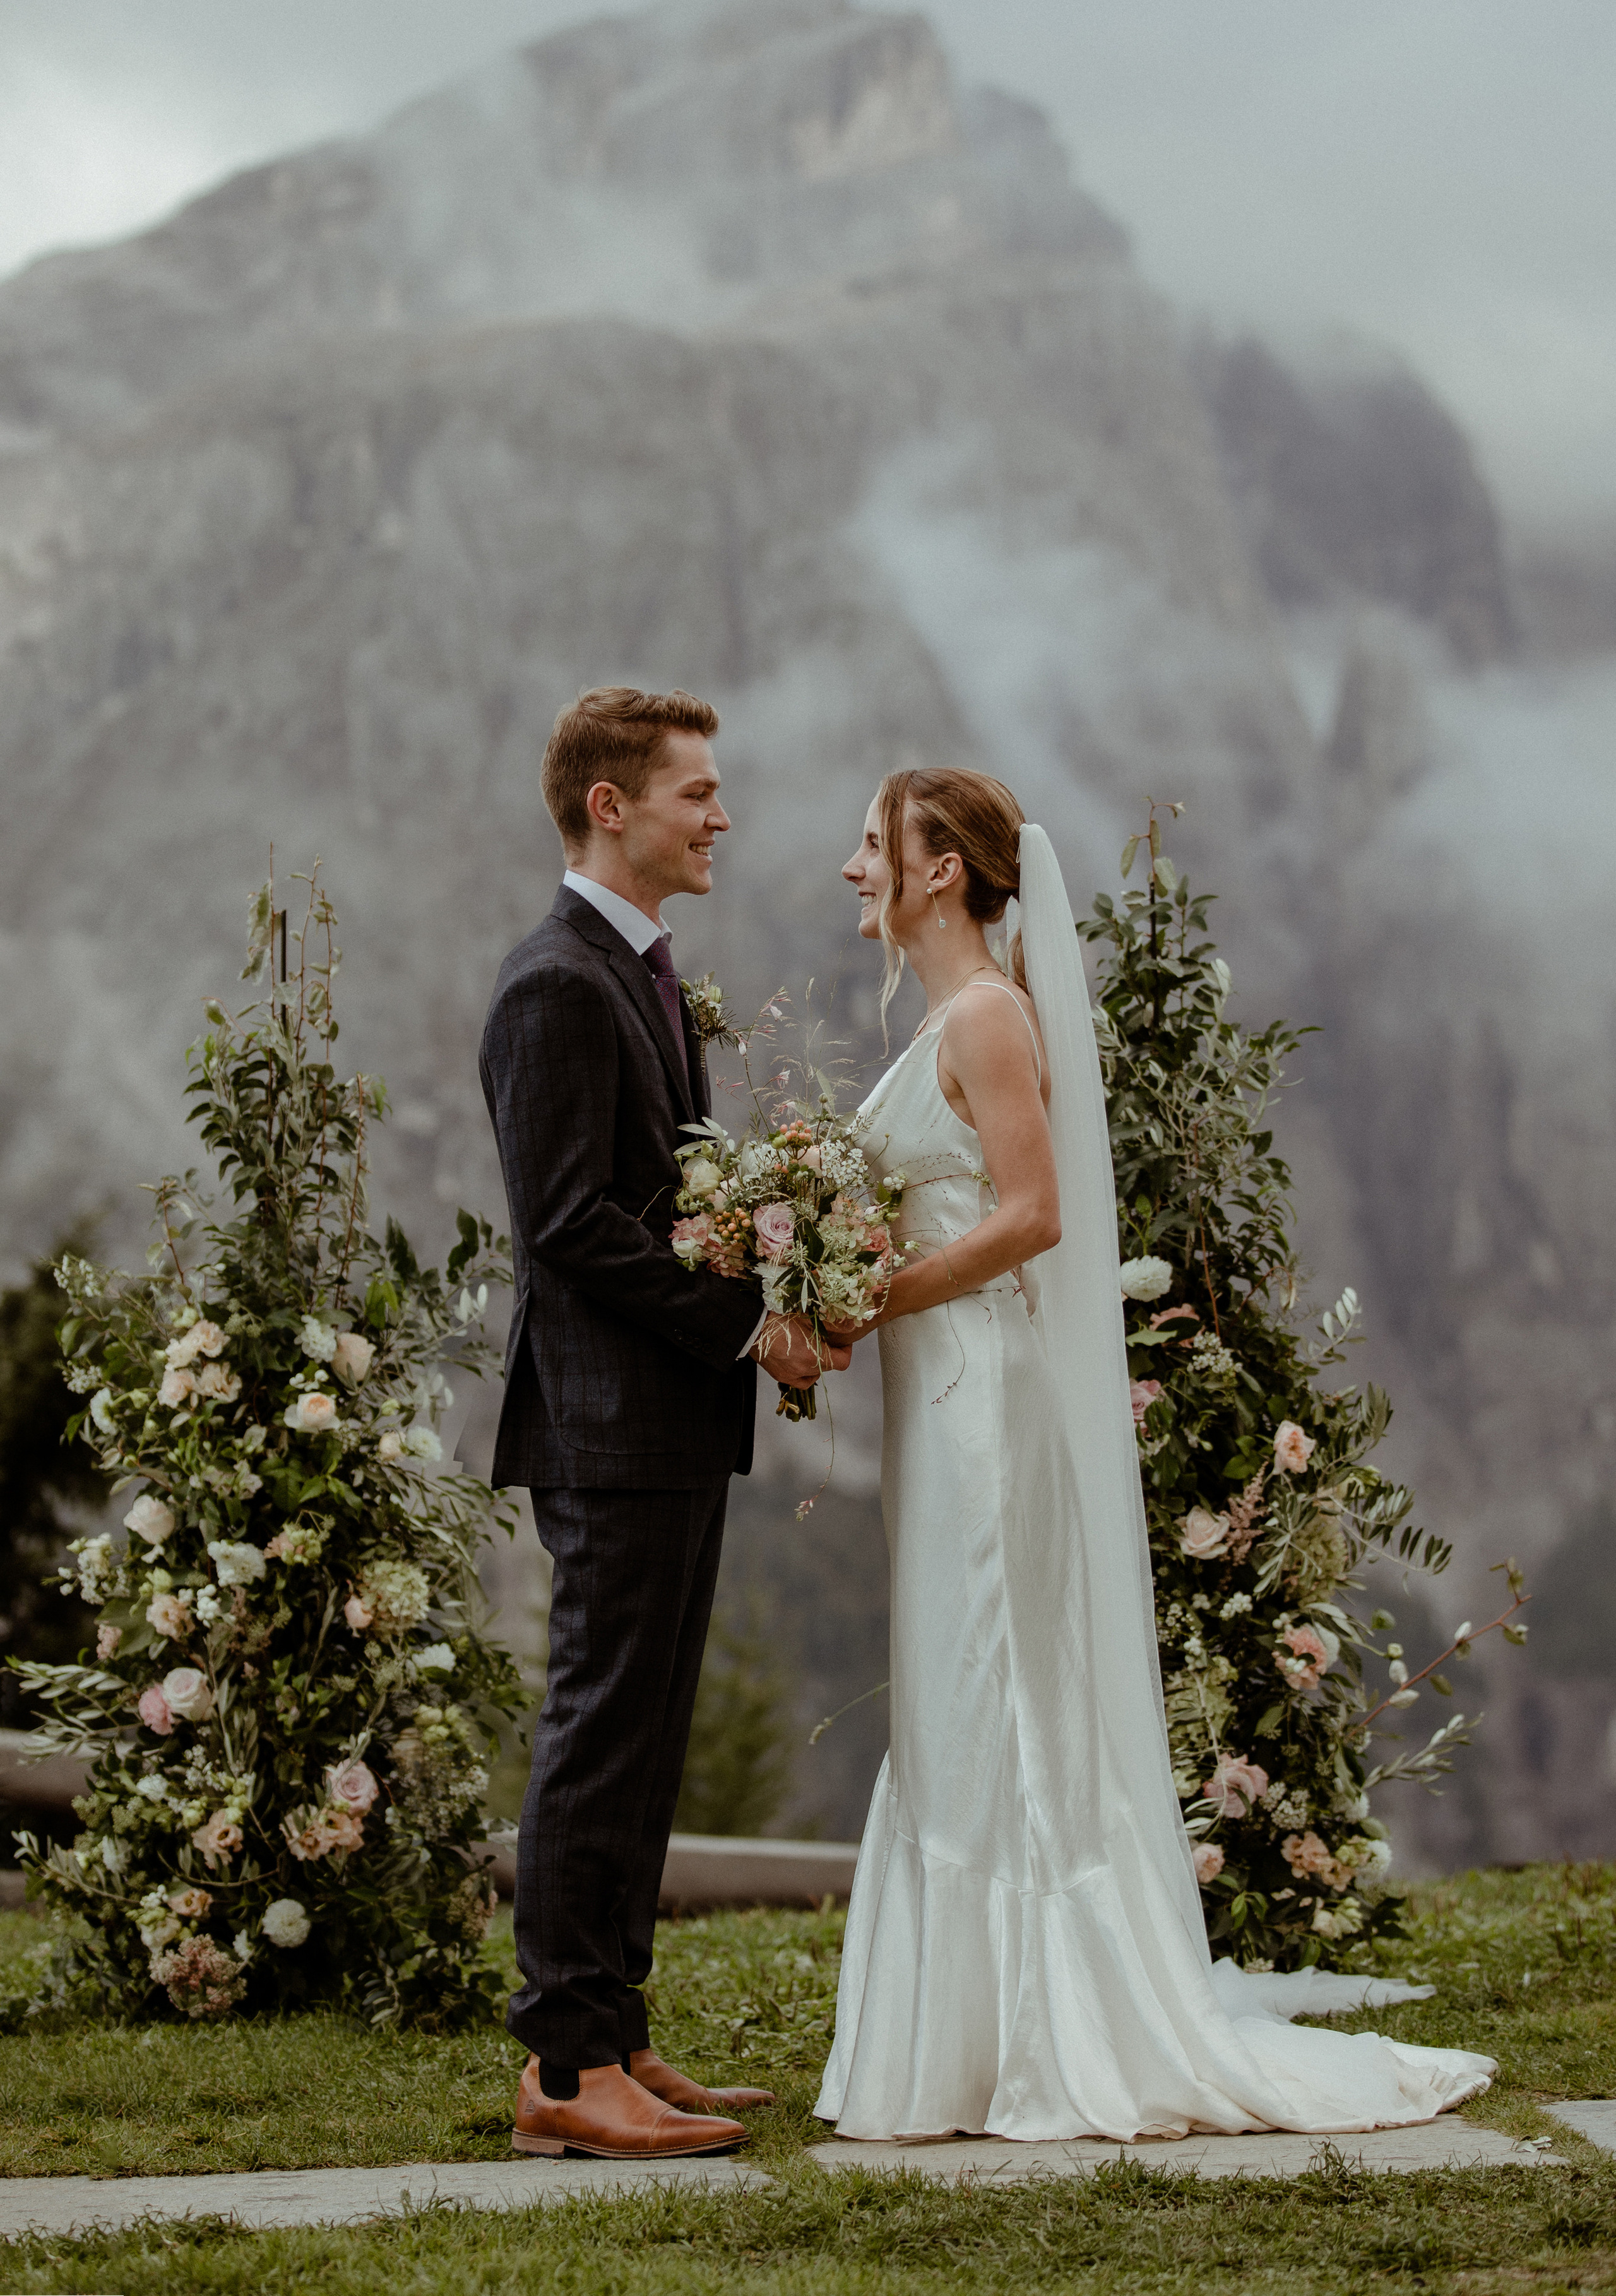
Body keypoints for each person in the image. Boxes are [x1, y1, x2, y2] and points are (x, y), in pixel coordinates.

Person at [815, 766, 1493, 2141]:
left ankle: (1030, 2035)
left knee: (985, 1676)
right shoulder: (951, 1013)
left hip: (979, 1403)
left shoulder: (990, 1015)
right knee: (953, 1689)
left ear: (942, 869)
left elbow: (1032, 1216)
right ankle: (961, 2043)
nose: (851, 869)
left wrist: (863, 1295)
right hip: (934, 1401)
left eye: (872, 845)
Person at [479, 685, 847, 2160]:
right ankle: (564, 2075)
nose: (723, 815)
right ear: (609, 807)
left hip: (666, 1423)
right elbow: (567, 1223)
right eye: (697, 791)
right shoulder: (553, 982)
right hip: (608, 1423)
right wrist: (750, 1319)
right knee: (597, 1728)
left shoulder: (634, 970)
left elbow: (655, 1197)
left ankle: (618, 2031)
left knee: (642, 1737)